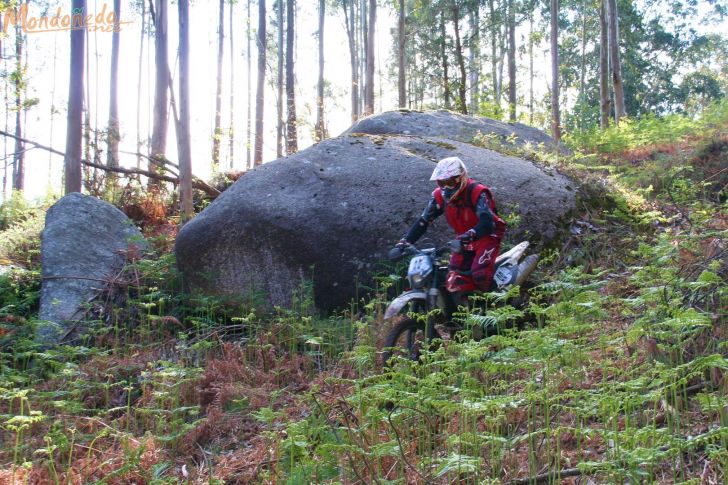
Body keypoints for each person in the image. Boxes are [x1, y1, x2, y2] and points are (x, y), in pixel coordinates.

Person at [396, 156, 506, 294]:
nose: (446, 187)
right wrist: (405, 241)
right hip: (462, 239)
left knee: (480, 274)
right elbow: (424, 221)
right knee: (454, 277)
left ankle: (499, 301)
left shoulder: (477, 192)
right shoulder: (439, 196)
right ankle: (463, 308)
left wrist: (471, 234)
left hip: (487, 236)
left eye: (450, 182)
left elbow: (487, 222)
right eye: (442, 183)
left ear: (461, 177)